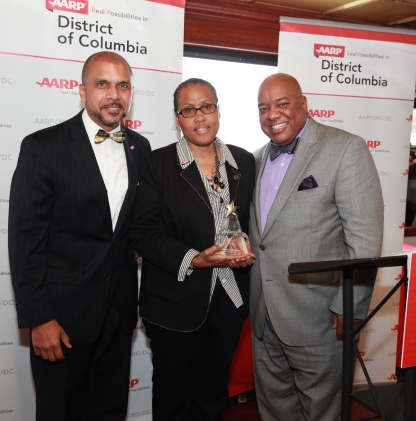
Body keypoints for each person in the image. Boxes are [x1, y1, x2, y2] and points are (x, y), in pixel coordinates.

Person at [8, 51, 151, 421]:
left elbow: (135, 229)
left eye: (122, 85)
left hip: (119, 316)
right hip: (62, 319)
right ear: (82, 91)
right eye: (102, 84)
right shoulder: (43, 147)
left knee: (109, 411)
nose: (113, 95)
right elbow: (25, 241)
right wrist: (39, 318)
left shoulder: (140, 148)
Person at [249, 73, 384, 421]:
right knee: (275, 410)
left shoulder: (345, 149)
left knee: (323, 414)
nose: (272, 114)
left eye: (282, 104)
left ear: (304, 104)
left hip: (320, 319)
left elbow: (365, 241)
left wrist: (350, 307)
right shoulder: (256, 159)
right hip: (265, 318)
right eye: (264, 108)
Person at [130, 78, 255, 420]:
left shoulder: (243, 161)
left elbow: (247, 221)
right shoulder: (157, 165)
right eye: (189, 110)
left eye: (207, 107)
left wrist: (244, 240)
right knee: (174, 399)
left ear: (217, 110)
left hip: (229, 300)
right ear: (177, 117)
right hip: (176, 302)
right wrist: (195, 259)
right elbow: (142, 232)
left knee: (213, 396)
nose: (200, 117)